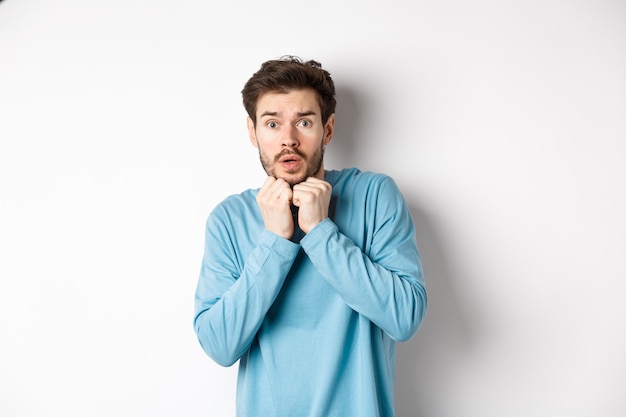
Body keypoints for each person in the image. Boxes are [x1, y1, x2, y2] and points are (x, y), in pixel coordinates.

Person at [193, 56, 427, 417]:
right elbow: (220, 346)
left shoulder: (374, 195)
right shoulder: (229, 219)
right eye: (272, 123)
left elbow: (405, 317)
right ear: (253, 132)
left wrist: (320, 233)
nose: (288, 139)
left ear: (328, 129)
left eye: (304, 121)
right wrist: (275, 242)